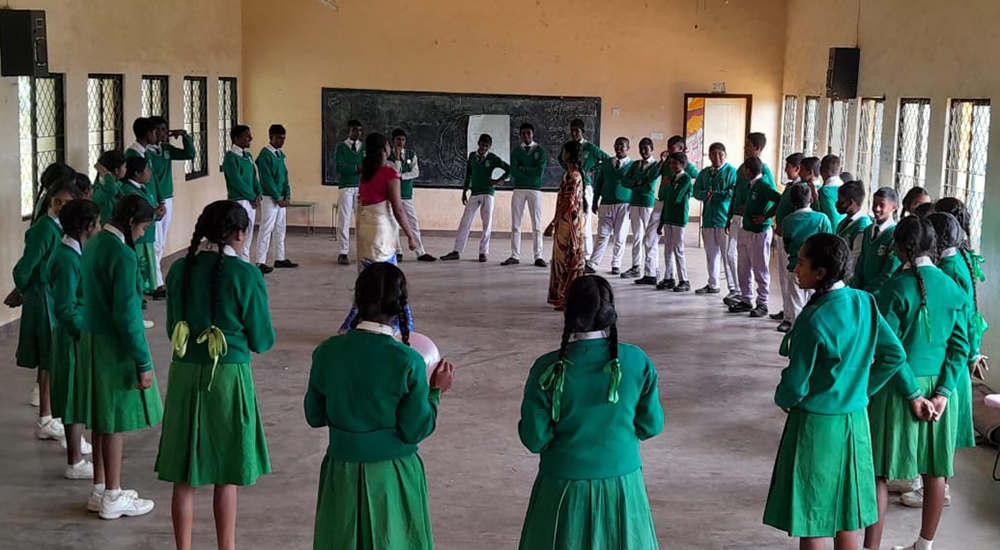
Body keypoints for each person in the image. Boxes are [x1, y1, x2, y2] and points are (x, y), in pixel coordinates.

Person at [763, 233, 915, 550]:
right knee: (846, 517)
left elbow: (795, 383)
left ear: (820, 274)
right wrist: (862, 388)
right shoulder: (865, 302)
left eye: (802, 262)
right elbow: (894, 356)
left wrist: (784, 399)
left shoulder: (814, 319)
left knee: (815, 517)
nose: (795, 268)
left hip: (817, 427)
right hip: (855, 422)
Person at [306, 262, 455, 549]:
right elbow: (415, 429)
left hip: (342, 471)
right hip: (393, 474)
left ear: (357, 300)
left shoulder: (327, 352)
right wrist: (435, 393)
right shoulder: (408, 361)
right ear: (399, 306)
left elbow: (314, 415)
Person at [157, 200, 275, 550]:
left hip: (184, 376)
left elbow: (171, 329)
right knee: (226, 472)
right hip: (227, 377)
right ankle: (226, 546)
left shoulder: (179, 270)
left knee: (184, 473)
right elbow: (262, 339)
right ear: (239, 234)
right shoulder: (246, 275)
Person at [518, 275, 663, 550]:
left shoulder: (547, 367)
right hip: (622, 487)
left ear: (568, 311)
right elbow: (651, 425)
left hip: (562, 490)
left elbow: (534, 438)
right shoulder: (636, 361)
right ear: (610, 312)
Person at [864, 216, 970, 550]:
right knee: (935, 471)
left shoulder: (894, 288)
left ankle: (872, 546)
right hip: (940, 391)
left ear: (899, 248)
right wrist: (943, 393)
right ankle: (924, 544)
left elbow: (888, 348)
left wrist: (912, 394)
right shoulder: (953, 288)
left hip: (897, 388)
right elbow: (960, 348)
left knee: (879, 472)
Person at [79, 194, 163, 519]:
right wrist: (143, 361)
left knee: (101, 417)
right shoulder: (123, 255)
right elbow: (128, 316)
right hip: (114, 345)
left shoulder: (95, 243)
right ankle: (113, 495)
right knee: (114, 421)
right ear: (130, 222)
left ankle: (99, 488)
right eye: (142, 227)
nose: (142, 234)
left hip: (91, 338)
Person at [5, 170, 81, 442]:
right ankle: (46, 418)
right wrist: (24, 290)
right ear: (49, 201)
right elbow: (24, 268)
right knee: (49, 357)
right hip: (43, 296)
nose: (61, 207)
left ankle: (48, 415)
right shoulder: (45, 229)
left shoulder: (60, 228)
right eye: (56, 202)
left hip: (50, 293)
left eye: (66, 203)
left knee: (50, 358)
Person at [338, 133, 419, 332]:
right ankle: (402, 324)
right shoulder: (388, 173)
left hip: (365, 227)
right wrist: (410, 235)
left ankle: (351, 324)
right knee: (388, 278)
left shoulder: (366, 172)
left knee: (368, 277)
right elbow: (398, 208)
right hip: (381, 230)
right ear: (385, 149)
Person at [45, 199, 101, 480]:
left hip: (76, 333)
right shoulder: (66, 259)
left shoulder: (75, 252)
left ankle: (76, 451)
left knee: (76, 393)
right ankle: (74, 460)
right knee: (70, 395)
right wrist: (87, 331)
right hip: (71, 337)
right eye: (97, 222)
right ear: (88, 226)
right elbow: (65, 308)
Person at [440, 133, 509, 262]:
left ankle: (483, 252)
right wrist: (464, 190)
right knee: (465, 221)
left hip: (488, 193)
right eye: (482, 145)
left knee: (487, 223)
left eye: (487, 146)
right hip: (475, 192)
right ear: (478, 143)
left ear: (489, 147)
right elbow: (468, 175)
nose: (484, 148)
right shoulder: (472, 156)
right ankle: (456, 251)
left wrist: (498, 180)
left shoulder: (492, 158)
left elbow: (508, 169)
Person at [726, 132, 776, 310]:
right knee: (742, 261)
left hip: (757, 227)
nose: (744, 147)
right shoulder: (742, 169)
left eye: (748, 145)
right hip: (742, 222)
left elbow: (774, 197)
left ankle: (762, 302)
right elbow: (736, 192)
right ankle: (746, 298)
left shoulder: (764, 172)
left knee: (760, 265)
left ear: (757, 148)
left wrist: (765, 216)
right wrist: (730, 214)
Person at [148, 115, 197, 294]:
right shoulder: (145, 153)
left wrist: (185, 136)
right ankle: (155, 282)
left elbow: (190, 154)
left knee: (161, 242)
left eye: (164, 129)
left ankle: (155, 279)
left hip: (167, 197)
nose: (162, 133)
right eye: (159, 129)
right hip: (154, 200)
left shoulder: (165, 149)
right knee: (155, 242)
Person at [778, 184, 832, 330]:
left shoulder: (787, 221)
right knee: (815, 303)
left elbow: (787, 246)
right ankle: (814, 331)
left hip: (796, 266)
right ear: (811, 199)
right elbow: (829, 242)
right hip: (818, 270)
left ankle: (797, 332)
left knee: (796, 303)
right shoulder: (822, 219)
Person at [560, 119, 611, 259]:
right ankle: (574, 251)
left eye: (577, 130)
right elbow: (561, 159)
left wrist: (594, 169)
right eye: (572, 130)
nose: (574, 133)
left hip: (585, 186)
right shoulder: (569, 147)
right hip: (572, 183)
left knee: (585, 221)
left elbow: (607, 160)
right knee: (572, 219)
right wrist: (569, 169)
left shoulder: (591, 148)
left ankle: (587, 255)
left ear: (583, 131)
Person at [544, 141, 586, 310]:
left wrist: (552, 223)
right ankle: (567, 297)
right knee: (568, 259)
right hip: (572, 223)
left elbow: (567, 203)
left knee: (565, 260)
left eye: (564, 151)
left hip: (567, 225)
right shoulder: (573, 174)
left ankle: (566, 297)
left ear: (568, 154)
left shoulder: (572, 176)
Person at [692, 142, 738, 296]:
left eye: (721, 154)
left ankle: (733, 287)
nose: (717, 157)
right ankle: (713, 284)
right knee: (711, 253)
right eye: (713, 154)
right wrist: (706, 195)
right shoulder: (704, 173)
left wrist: (716, 194)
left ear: (725, 155)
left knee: (727, 255)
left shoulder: (731, 172)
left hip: (724, 219)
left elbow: (732, 192)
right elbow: (696, 191)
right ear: (709, 155)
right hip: (708, 220)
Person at [503, 122, 549, 268]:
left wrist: (523, 168)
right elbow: (513, 171)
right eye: (523, 133)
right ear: (520, 135)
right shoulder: (516, 151)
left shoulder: (540, 151)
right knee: (516, 224)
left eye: (528, 133)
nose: (526, 136)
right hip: (519, 189)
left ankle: (538, 256)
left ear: (532, 134)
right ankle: (514, 255)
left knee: (537, 224)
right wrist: (528, 170)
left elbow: (539, 172)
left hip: (535, 189)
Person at [587, 137, 633, 275]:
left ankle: (616, 264)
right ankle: (593, 263)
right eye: (617, 145)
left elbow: (636, 185)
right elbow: (599, 183)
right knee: (602, 234)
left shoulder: (633, 165)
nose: (619, 148)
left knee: (620, 236)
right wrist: (595, 201)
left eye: (622, 146)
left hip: (624, 205)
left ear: (628, 148)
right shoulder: (607, 163)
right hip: (606, 203)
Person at [255, 124, 297, 273]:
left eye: (284, 138)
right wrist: (277, 197)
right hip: (269, 198)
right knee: (266, 228)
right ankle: (260, 261)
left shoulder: (280, 155)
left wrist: (287, 194)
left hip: (280, 198)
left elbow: (285, 176)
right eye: (279, 138)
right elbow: (266, 180)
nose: (282, 141)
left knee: (280, 228)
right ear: (271, 137)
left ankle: (279, 258)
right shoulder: (265, 155)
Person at [389, 128, 436, 262]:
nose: (401, 142)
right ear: (393, 141)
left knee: (413, 222)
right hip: (394, 195)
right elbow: (393, 172)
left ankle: (420, 252)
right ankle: (397, 252)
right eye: (398, 139)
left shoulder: (411, 154)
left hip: (407, 195)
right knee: (394, 224)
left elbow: (415, 172)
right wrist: (397, 158)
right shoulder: (388, 156)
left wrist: (401, 177)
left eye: (403, 139)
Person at [120, 157, 164, 297]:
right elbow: (138, 210)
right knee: (138, 267)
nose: (150, 173)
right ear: (137, 173)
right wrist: (154, 213)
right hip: (137, 237)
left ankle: (144, 291)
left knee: (146, 268)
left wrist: (157, 212)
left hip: (147, 234)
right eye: (147, 170)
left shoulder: (142, 188)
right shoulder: (129, 189)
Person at [771, 153, 806, 324]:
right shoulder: (791, 186)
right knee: (783, 275)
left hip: (791, 237)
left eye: (788, 167)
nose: (785, 170)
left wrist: (784, 228)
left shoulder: (801, 190)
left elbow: (796, 213)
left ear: (797, 168)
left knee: (789, 275)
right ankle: (787, 309)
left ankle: (790, 317)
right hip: (783, 233)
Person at [621, 138, 661, 284]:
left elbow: (649, 187)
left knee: (649, 238)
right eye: (641, 148)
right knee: (637, 236)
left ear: (652, 149)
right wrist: (637, 183)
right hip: (635, 203)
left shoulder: (656, 166)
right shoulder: (636, 164)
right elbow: (624, 182)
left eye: (646, 148)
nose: (643, 151)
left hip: (647, 204)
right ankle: (635, 266)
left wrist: (635, 185)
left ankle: (653, 268)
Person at [222, 125, 263, 263]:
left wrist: (259, 194)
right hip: (239, 200)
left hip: (251, 200)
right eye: (246, 135)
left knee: (248, 235)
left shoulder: (248, 156)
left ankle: (245, 264)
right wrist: (252, 197)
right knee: (237, 235)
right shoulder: (230, 157)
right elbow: (236, 182)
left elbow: (254, 177)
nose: (250, 138)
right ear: (236, 138)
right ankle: (236, 265)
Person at [850, 187, 901, 295]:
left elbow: (888, 272)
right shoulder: (868, 230)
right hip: (862, 291)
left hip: (878, 293)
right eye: (874, 204)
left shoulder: (896, 235)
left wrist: (868, 291)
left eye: (882, 205)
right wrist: (856, 287)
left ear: (894, 207)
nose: (876, 209)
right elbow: (861, 261)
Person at [655, 152, 694, 292]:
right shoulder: (671, 178)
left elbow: (677, 197)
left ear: (682, 165)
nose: (672, 166)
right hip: (669, 216)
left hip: (678, 217)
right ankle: (669, 277)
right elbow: (666, 199)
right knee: (667, 248)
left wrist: (668, 185)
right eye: (671, 163)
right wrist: (662, 220)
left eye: (675, 163)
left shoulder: (685, 179)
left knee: (678, 248)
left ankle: (684, 280)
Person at [334, 120, 365, 265]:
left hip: (360, 187)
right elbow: (339, 167)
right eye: (354, 130)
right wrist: (355, 167)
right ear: (349, 130)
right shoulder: (341, 147)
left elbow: (367, 166)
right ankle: (343, 252)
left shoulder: (363, 148)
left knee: (361, 220)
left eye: (359, 130)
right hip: (345, 187)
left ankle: (362, 250)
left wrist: (361, 168)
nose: (357, 133)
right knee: (344, 220)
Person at [835, 180, 872, 280]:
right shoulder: (844, 222)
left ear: (851, 203)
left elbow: (855, 259)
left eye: (841, 201)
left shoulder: (862, 227)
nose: (838, 204)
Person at [93, 150, 126, 224]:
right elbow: (111, 190)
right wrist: (106, 173)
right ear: (117, 170)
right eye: (124, 166)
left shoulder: (118, 185)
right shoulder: (98, 189)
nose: (126, 169)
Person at [817, 154, 845, 228]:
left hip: (831, 233)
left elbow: (831, 217)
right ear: (841, 170)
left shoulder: (824, 192)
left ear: (820, 171)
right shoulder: (845, 188)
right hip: (844, 230)